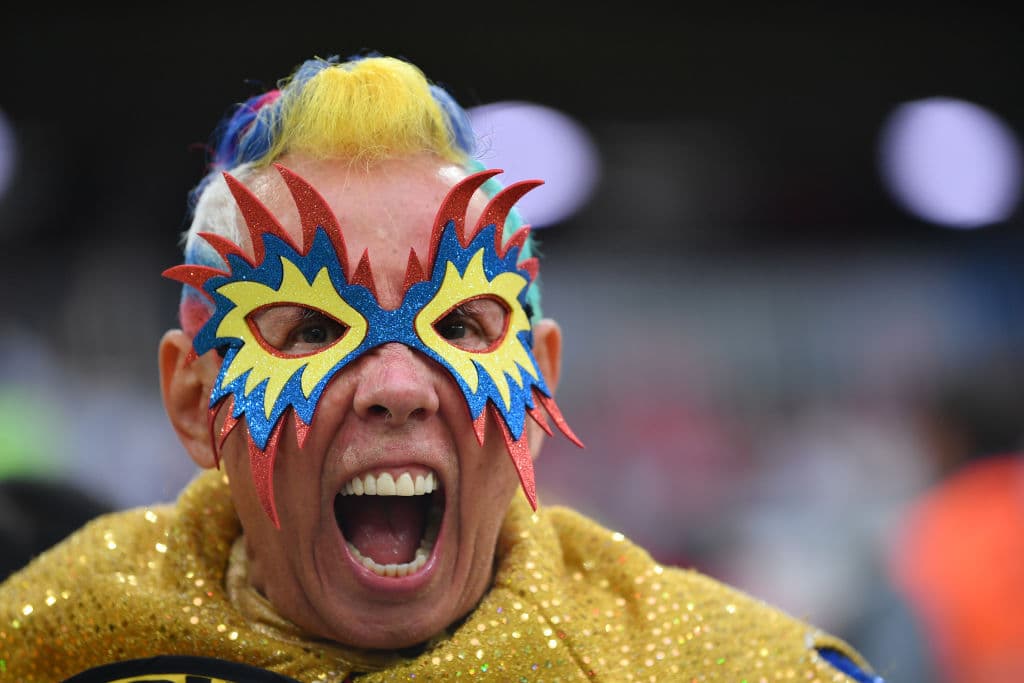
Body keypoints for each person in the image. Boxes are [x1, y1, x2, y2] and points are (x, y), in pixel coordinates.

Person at [0, 53, 884, 682]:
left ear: (539, 383)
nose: (396, 385)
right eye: (310, 328)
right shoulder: (50, 642)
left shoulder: (719, 667)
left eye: (460, 323)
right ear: (193, 402)